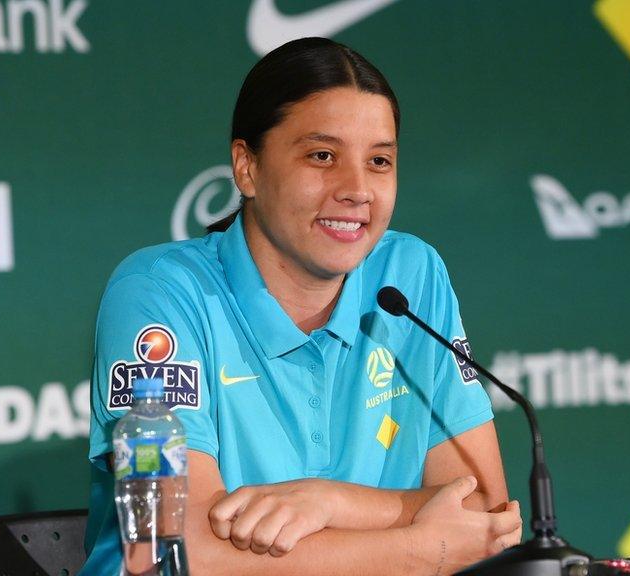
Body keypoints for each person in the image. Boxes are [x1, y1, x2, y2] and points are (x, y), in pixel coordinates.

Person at [79, 37, 523, 576]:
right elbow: (173, 549)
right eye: (322, 156)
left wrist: (329, 501)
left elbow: (485, 515)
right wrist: (419, 548)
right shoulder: (158, 295)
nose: (357, 189)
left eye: (379, 161)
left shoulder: (410, 274)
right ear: (247, 167)